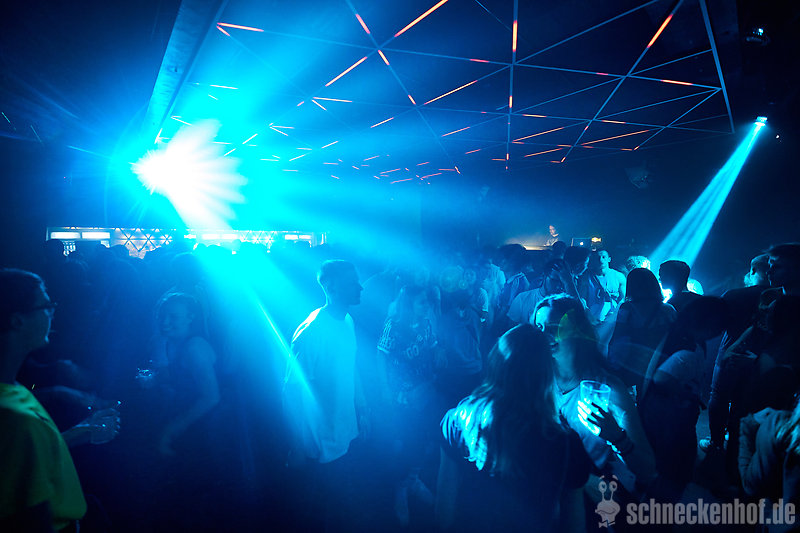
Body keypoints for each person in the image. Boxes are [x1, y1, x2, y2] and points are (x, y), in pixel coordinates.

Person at [436, 324, 592, 532]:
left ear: (496, 363)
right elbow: (573, 527)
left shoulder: (457, 420)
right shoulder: (566, 445)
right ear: (545, 375)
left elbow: (444, 515)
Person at [532, 295, 656, 497]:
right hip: (546, 487)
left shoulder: (606, 389)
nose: (544, 334)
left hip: (590, 492)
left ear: (577, 330)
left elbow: (647, 470)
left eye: (554, 326)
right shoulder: (536, 380)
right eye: (539, 327)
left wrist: (617, 437)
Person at [0, 269, 87, 532]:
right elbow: (31, 519)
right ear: (18, 321)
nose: (51, 313)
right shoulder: (17, 421)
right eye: (46, 306)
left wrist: (58, 392)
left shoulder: (12, 387)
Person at [283, 260, 367, 530]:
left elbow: (350, 367)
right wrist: (297, 445)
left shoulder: (347, 320)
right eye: (351, 283)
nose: (360, 287)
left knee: (341, 508)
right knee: (320, 514)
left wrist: (362, 408)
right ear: (330, 287)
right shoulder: (312, 332)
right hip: (320, 443)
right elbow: (291, 391)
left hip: (344, 432)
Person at [638, 297, 729, 499]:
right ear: (709, 326)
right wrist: (685, 394)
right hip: (671, 415)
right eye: (719, 328)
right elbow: (661, 377)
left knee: (662, 459)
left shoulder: (677, 335)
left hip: (658, 412)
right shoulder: (688, 351)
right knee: (675, 464)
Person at [377, 285, 438, 525]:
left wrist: (440, 352)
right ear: (409, 304)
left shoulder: (426, 323)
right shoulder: (393, 326)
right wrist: (384, 389)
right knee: (406, 442)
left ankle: (413, 480)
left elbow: (432, 346)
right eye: (422, 302)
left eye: (427, 301)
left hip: (426, 391)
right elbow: (381, 356)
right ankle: (401, 489)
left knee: (424, 440)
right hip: (402, 396)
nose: (427, 305)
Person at [608, 268, 677, 392]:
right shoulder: (668, 309)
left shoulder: (627, 308)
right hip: (660, 361)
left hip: (634, 362)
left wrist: (612, 363)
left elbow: (618, 336)